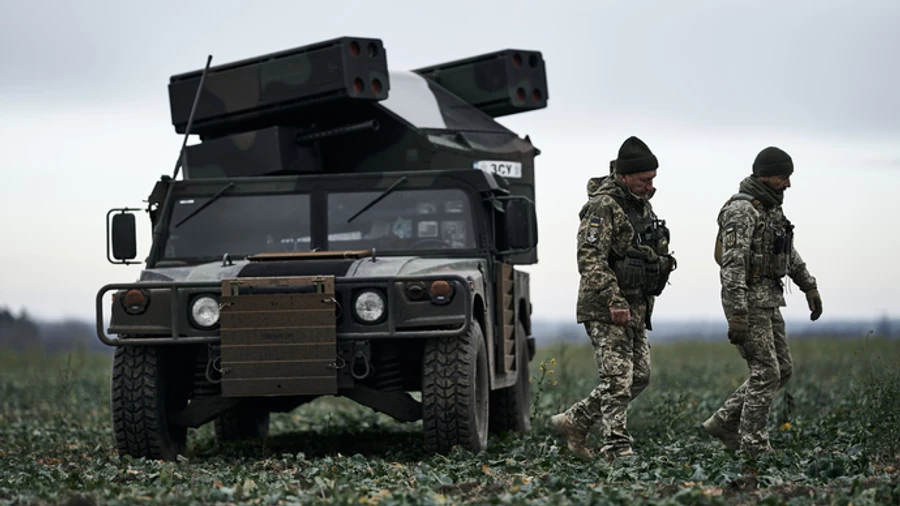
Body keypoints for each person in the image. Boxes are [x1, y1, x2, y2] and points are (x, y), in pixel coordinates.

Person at [551, 136, 676, 461]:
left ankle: (575, 421)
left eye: (652, 180)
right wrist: (614, 300)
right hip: (604, 307)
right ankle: (617, 449)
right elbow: (589, 259)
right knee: (618, 380)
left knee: (640, 376)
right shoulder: (601, 207)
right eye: (643, 180)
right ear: (623, 176)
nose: (650, 186)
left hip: (635, 308)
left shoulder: (641, 206)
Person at [703, 146, 822, 456]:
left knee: (782, 369)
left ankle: (724, 421)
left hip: (769, 301)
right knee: (766, 371)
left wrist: (808, 285)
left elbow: (787, 252)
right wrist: (738, 314)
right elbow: (733, 264)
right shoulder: (741, 210)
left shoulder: (770, 208)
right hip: (748, 303)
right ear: (766, 176)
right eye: (784, 177)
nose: (788, 184)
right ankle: (754, 445)